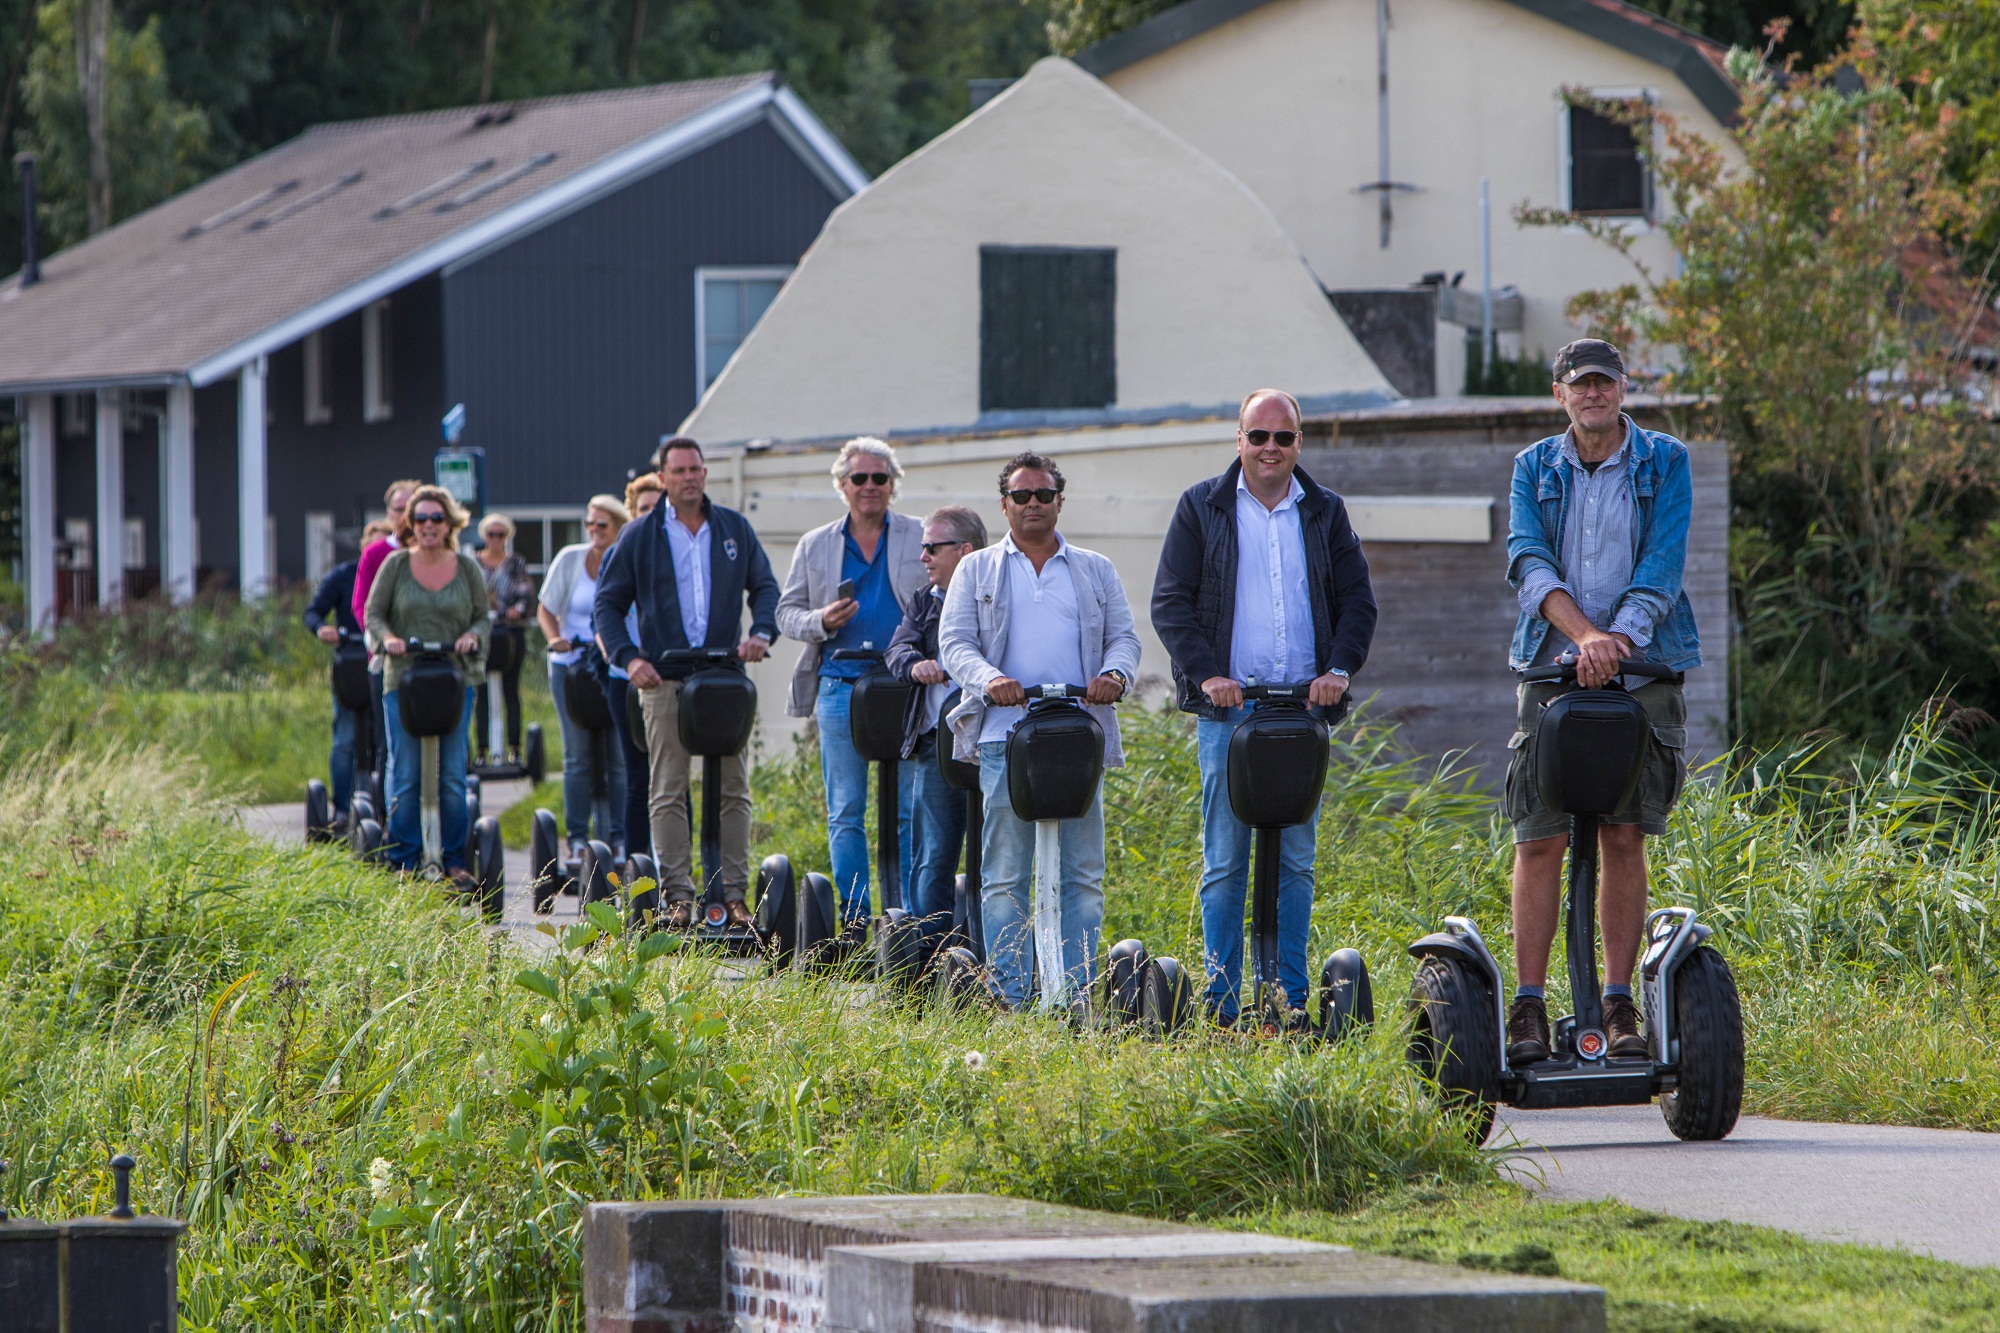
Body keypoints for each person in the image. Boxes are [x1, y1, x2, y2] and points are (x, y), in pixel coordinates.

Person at [1151, 388, 1378, 1027]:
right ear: (1240, 441)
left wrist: (1337, 670)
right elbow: (1172, 602)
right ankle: (1224, 1005)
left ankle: (1291, 1000)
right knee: (1225, 861)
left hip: (1302, 715)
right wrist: (1208, 674)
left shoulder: (1325, 511)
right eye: (1259, 437)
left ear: (1298, 442)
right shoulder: (1203, 507)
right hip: (1230, 715)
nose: (1270, 448)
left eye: (1283, 437)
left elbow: (1359, 601)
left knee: (1296, 861)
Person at [1503, 338, 1701, 1065]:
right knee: (1539, 836)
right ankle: (1528, 1003)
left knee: (1624, 833)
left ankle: (1618, 1002)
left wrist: (1617, 640)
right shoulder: (1534, 467)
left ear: (1623, 390)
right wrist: (1587, 639)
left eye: (1605, 383)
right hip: (1552, 669)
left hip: (1645, 665)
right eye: (1580, 384)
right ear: (1560, 393)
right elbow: (1528, 562)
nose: (1594, 395)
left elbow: (1664, 561)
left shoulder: (1664, 462)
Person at [938, 452, 1140, 1010]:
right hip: (1006, 736)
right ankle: (1012, 996)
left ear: (1059, 501)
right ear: (1003, 503)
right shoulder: (976, 569)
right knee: (1004, 874)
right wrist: (992, 679)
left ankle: (1074, 994)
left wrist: (1114, 675)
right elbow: (954, 644)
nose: (1033, 504)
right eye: (1022, 496)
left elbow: (1125, 637)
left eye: (1043, 495)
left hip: (1078, 736)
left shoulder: (1094, 568)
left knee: (1083, 872)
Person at [597, 437, 779, 926]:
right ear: (664, 477)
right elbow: (607, 606)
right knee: (668, 787)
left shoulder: (732, 528)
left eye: (696, 469)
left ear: (704, 473)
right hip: (665, 678)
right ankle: (678, 897)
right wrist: (629, 659)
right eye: (678, 471)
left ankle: (734, 897)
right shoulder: (639, 535)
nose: (689, 477)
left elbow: (764, 587)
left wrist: (761, 632)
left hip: (723, 680)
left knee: (733, 789)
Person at [775, 438, 928, 928]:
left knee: (907, 809)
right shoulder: (817, 543)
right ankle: (858, 915)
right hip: (840, 684)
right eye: (859, 478)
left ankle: (901, 916)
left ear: (892, 485)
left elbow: (944, 596)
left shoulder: (919, 534)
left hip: (905, 688)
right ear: (842, 485)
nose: (869, 487)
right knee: (845, 809)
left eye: (879, 478)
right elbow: (786, 613)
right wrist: (821, 618)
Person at [363, 486, 489, 884]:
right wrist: (387, 639)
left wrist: (472, 635)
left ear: (450, 522)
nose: (429, 525)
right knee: (406, 774)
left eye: (437, 518)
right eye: (421, 519)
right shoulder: (396, 565)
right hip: (403, 679)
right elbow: (373, 614)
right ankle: (405, 859)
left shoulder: (467, 568)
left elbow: (483, 617)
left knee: (452, 774)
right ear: (410, 525)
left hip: (454, 680)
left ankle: (453, 860)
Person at [883, 504, 988, 934]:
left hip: (991, 741)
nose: (923, 556)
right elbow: (897, 649)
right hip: (936, 746)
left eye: (932, 547)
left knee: (996, 855)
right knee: (934, 854)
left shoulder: (996, 594)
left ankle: (992, 958)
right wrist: (914, 665)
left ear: (964, 551)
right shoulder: (924, 600)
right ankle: (928, 957)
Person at [539, 495, 630, 856]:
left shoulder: (627, 559)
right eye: (589, 524)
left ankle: (621, 837)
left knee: (618, 755)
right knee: (576, 754)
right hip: (571, 668)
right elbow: (546, 609)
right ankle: (577, 837)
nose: (593, 531)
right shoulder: (571, 558)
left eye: (602, 525)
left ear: (619, 528)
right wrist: (555, 639)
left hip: (617, 667)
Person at [303, 520, 391, 823]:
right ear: (364, 546)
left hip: (386, 661)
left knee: (385, 738)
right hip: (351, 662)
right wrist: (322, 629)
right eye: (373, 547)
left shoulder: (401, 574)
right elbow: (312, 612)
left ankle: (385, 806)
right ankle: (341, 808)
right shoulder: (344, 575)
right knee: (345, 736)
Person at [601, 474, 666, 859]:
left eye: (658, 508)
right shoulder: (620, 550)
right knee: (638, 773)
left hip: (669, 675)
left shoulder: (676, 549)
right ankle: (638, 862)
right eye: (644, 509)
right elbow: (606, 612)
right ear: (631, 514)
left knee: (672, 777)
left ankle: (675, 864)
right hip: (626, 677)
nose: (651, 515)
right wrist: (627, 655)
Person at [352, 480, 424, 780]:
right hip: (388, 656)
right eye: (399, 509)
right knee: (388, 741)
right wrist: (381, 641)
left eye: (412, 511)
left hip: (427, 654)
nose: (405, 517)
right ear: (389, 513)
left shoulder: (431, 553)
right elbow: (362, 606)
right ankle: (388, 813)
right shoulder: (376, 553)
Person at [474, 513, 534, 766]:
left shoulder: (515, 563)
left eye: (501, 534)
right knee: (481, 690)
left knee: (511, 690)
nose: (496, 539)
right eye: (491, 534)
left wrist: (512, 611)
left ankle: (514, 747)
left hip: (510, 634)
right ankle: (481, 750)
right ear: (484, 536)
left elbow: (524, 596)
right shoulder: (473, 562)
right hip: (483, 633)